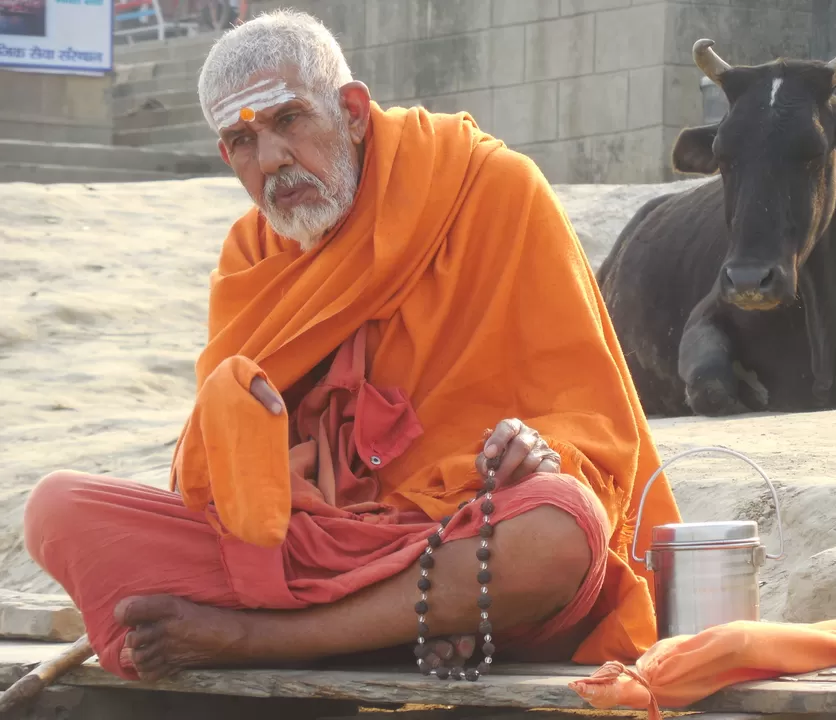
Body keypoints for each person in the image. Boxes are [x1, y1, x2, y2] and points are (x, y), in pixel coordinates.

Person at [22, 10, 680, 683]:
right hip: (324, 550)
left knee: (563, 526)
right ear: (226, 156)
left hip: (457, 538)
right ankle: (402, 628)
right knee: (57, 509)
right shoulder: (251, 253)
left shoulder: (492, 188)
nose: (272, 160)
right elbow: (227, 481)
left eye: (288, 122)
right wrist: (261, 453)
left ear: (355, 112)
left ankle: (260, 640)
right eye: (242, 140)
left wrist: (540, 451)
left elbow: (591, 422)